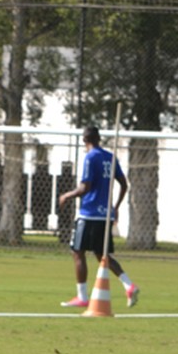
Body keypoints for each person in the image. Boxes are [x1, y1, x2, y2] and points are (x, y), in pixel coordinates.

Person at [56, 125, 139, 308]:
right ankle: (129, 285)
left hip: (90, 214)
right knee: (102, 254)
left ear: (85, 141)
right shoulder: (110, 157)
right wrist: (115, 207)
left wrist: (66, 195)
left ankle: (82, 297)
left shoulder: (90, 157)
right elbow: (124, 184)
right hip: (105, 215)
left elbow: (84, 187)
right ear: (99, 139)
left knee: (77, 251)